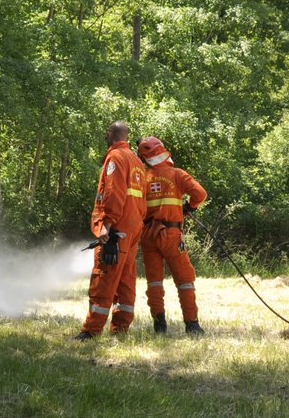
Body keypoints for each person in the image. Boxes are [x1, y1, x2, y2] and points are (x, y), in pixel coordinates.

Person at [75, 121, 147, 339]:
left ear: (110, 134)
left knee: (104, 275)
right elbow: (142, 199)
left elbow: (114, 193)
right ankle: (121, 328)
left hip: (117, 227)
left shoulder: (115, 158)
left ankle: (91, 331)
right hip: (134, 227)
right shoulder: (137, 161)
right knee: (126, 278)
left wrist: (107, 225)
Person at [136, 136, 207, 334]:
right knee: (184, 279)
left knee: (154, 281)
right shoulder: (177, 174)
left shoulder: (142, 177)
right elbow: (200, 194)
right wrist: (188, 207)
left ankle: (159, 326)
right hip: (171, 234)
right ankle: (192, 325)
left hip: (148, 234)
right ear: (162, 151)